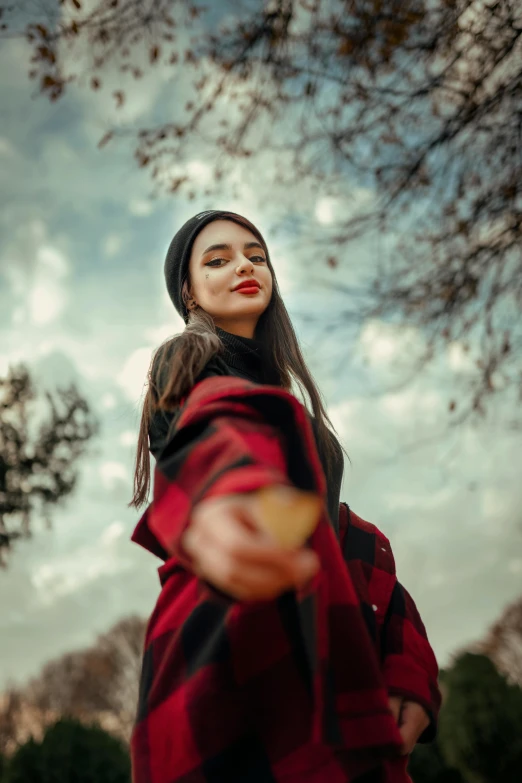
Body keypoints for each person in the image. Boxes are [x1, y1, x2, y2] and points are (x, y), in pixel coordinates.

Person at [129, 210, 441, 783]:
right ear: (189, 293)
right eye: (217, 260)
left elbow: (338, 536)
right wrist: (233, 494)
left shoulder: (290, 401)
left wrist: (407, 665)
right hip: (232, 651)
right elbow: (219, 433)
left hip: (324, 659)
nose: (244, 265)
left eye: (256, 254)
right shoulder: (188, 361)